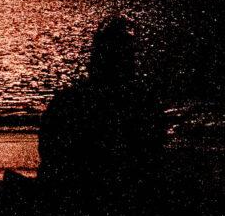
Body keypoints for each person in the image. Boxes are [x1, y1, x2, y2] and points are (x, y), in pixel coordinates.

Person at [36, 16, 164, 195]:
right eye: (129, 58)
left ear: (94, 60)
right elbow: (151, 157)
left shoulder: (66, 101)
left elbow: (49, 154)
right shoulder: (142, 105)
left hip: (67, 193)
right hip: (110, 194)